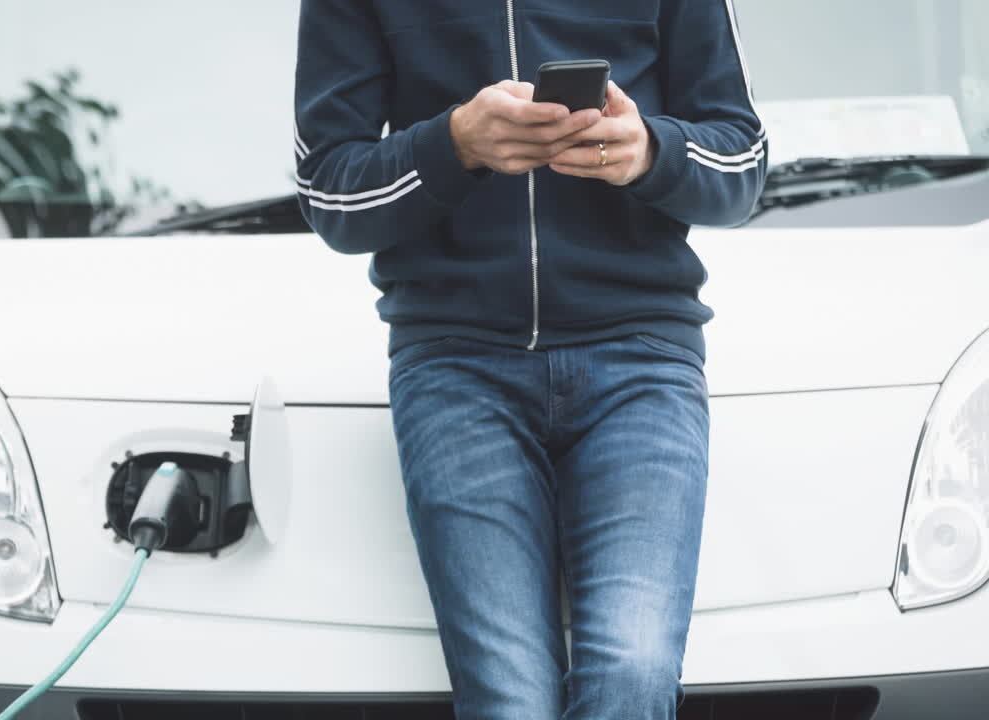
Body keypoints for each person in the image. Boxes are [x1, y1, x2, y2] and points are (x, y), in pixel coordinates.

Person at [294, 2, 767, 718]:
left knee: (634, 671)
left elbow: (742, 161)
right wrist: (454, 144)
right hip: (455, 366)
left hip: (641, 358)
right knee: (508, 700)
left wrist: (649, 151)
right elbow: (330, 189)